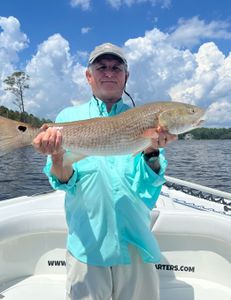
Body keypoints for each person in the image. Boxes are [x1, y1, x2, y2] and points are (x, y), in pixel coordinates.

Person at [33, 43, 177, 300]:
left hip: (135, 243)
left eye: (116, 68)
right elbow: (63, 181)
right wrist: (57, 157)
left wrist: (151, 150)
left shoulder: (145, 120)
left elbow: (147, 190)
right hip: (88, 246)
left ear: (126, 76)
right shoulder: (68, 118)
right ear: (89, 76)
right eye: (102, 67)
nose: (109, 73)